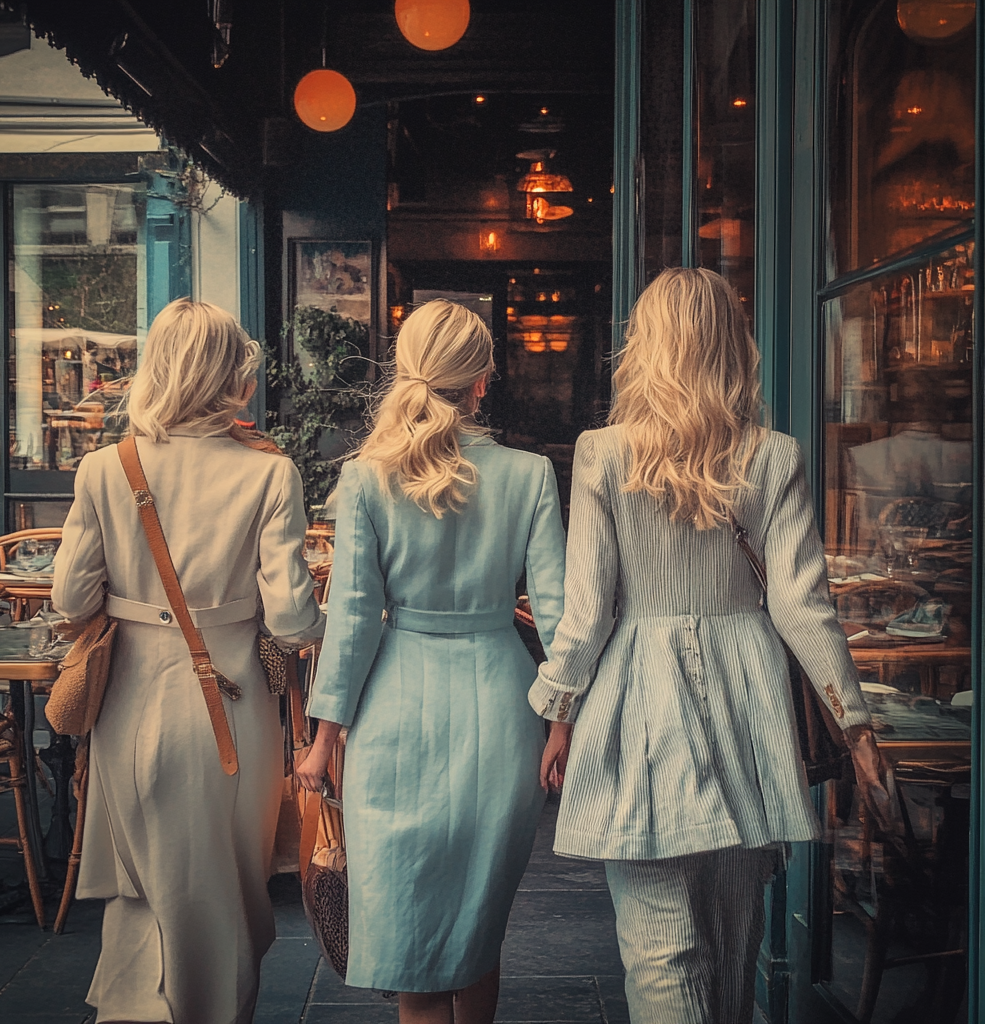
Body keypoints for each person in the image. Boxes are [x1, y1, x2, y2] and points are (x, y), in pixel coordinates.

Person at [531, 268, 891, 1024]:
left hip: (636, 700)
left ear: (646, 345)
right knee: (734, 943)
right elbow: (802, 603)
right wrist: (854, 723)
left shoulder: (601, 452)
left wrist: (559, 709)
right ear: (734, 344)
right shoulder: (774, 455)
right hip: (746, 700)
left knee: (660, 950)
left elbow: (589, 611)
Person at [52, 298, 324, 1024]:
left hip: (129, 709)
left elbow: (69, 595)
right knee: (223, 893)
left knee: (144, 889)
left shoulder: (108, 468)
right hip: (229, 715)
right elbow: (293, 620)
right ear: (232, 374)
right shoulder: (269, 473)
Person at [299, 299, 566, 1024]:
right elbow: (560, 614)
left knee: (411, 933)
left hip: (394, 711)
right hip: (502, 712)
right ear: (482, 381)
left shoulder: (364, 479)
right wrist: (563, 725)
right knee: (477, 930)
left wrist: (323, 740)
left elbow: (351, 619)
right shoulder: (529, 475)